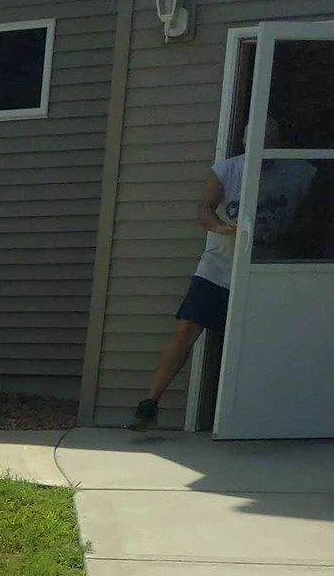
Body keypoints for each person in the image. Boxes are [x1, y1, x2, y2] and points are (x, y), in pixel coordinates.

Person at [134, 119, 315, 430]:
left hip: (267, 271)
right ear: (246, 143)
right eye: (257, 140)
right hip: (219, 266)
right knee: (187, 330)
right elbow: (204, 208)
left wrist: (287, 240)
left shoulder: (302, 172)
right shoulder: (227, 170)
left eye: (270, 140)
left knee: (265, 341)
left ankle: (268, 415)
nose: (264, 146)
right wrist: (220, 228)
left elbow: (311, 219)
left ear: (280, 140)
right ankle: (149, 404)